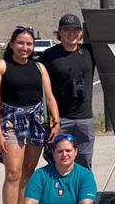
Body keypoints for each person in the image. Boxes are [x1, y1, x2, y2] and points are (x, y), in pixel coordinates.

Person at [0, 26, 60, 204]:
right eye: (20, 43)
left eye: (29, 44)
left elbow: (49, 97)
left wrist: (56, 122)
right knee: (13, 173)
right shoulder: (0, 66)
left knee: (28, 172)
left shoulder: (39, 68)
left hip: (36, 121)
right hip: (11, 121)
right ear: (11, 44)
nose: (25, 48)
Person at [39, 14, 96, 169]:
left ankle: (82, 193)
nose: (71, 34)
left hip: (85, 119)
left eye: (75, 30)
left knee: (84, 162)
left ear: (81, 33)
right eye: (67, 30)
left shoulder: (90, 52)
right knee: (57, 161)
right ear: (59, 33)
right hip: (60, 120)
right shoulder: (48, 56)